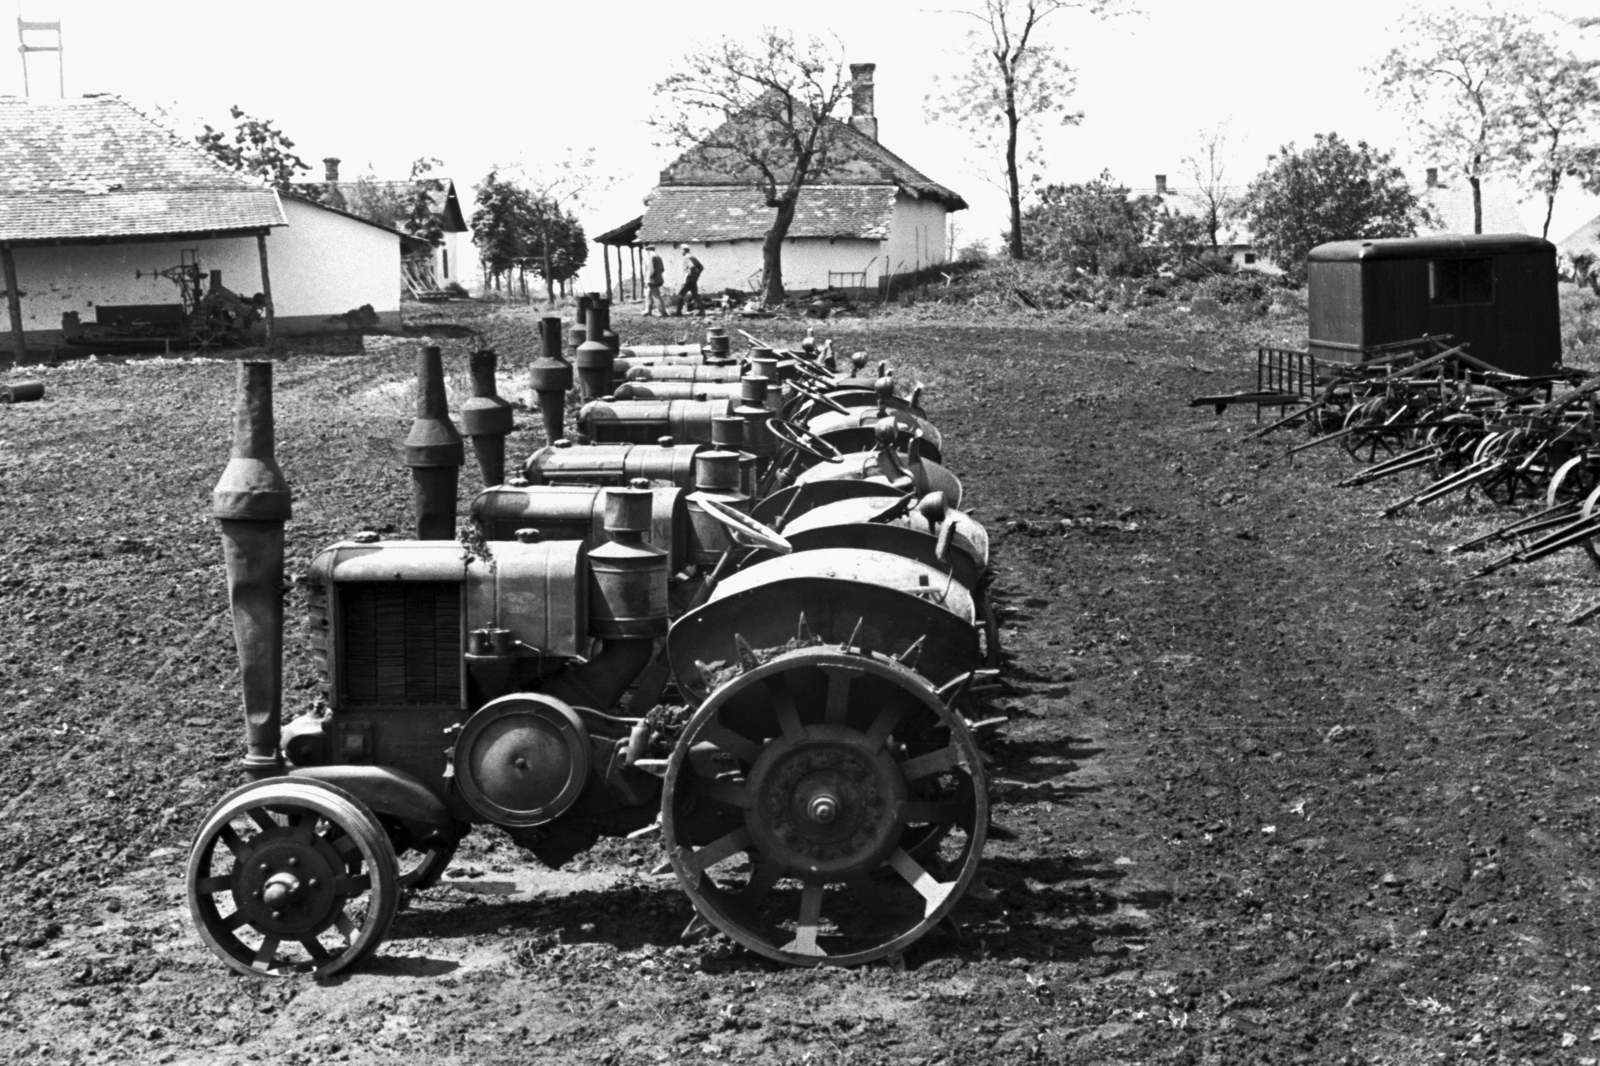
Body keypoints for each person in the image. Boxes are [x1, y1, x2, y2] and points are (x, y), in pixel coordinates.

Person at [674, 245, 704, 317]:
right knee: (696, 295)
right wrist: (696, 276)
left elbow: (692, 267)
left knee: (680, 295)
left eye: (681, 250)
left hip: (689, 279)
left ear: (684, 250)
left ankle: (678, 313)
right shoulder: (692, 257)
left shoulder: (687, 257)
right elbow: (701, 267)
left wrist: (689, 275)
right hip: (693, 279)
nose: (680, 252)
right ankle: (702, 312)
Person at [644, 245, 667, 316]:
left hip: (652, 280)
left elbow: (652, 270)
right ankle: (648, 311)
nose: (647, 252)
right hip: (658, 279)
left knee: (656, 296)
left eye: (647, 250)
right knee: (648, 295)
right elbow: (662, 269)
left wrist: (649, 279)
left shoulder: (651, 257)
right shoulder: (658, 257)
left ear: (649, 250)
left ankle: (663, 312)